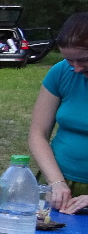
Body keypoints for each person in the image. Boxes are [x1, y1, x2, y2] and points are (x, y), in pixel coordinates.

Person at [29, 11, 88, 214]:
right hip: (60, 184)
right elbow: (38, 133)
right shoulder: (61, 72)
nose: (76, 68)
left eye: (83, 60)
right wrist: (56, 182)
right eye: (70, 61)